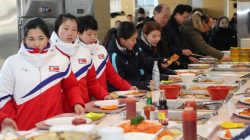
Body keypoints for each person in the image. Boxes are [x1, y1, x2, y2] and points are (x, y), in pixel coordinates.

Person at [0, 18, 85, 130]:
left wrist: (77, 103)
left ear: (48, 39)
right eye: (31, 39)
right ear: (24, 40)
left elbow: (71, 86)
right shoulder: (12, 63)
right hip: (23, 128)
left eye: (41, 38)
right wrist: (6, 118)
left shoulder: (61, 59)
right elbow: (3, 97)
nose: (36, 44)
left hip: (54, 126)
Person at [50, 14, 111, 112]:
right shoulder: (48, 54)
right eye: (66, 28)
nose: (70, 33)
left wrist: (105, 95)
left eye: (74, 29)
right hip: (57, 112)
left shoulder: (84, 52)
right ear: (57, 29)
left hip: (82, 108)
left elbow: (92, 82)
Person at [77, 15, 136, 92]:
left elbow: (112, 76)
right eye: (89, 34)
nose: (93, 37)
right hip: (83, 100)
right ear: (78, 34)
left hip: (102, 98)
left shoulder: (101, 50)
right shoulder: (74, 53)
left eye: (95, 34)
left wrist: (128, 87)